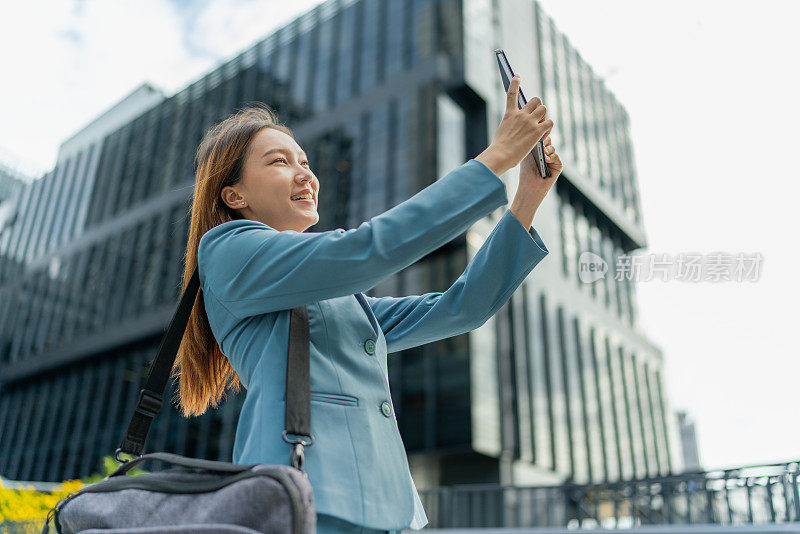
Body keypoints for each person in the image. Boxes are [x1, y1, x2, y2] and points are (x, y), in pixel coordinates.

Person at [174, 74, 563, 533]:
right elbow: (366, 251)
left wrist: (528, 196)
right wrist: (496, 157)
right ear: (234, 194)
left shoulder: (338, 296)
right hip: (308, 499)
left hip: (390, 510)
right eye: (279, 162)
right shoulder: (228, 249)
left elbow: (461, 308)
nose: (305, 173)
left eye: (305, 161)